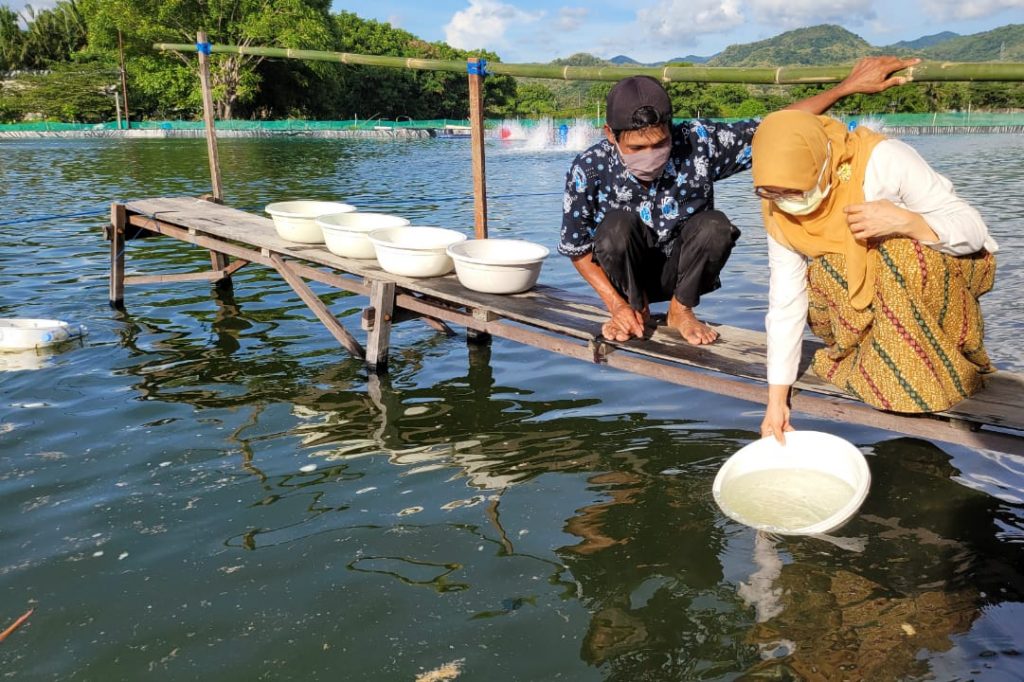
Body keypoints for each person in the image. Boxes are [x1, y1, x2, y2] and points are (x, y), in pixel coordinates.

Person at [559, 56, 920, 346]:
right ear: (610, 134)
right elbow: (577, 248)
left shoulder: (698, 142)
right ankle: (634, 308)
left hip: (684, 272)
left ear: (672, 128)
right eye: (637, 148)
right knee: (614, 228)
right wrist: (614, 303)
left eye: (660, 144)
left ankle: (680, 310)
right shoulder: (588, 168)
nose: (651, 155)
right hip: (627, 274)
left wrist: (848, 87)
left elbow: (777, 125)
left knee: (715, 224)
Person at [750, 109, 999, 443]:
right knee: (826, 271)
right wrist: (776, 400)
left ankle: (936, 367)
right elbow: (786, 300)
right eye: (770, 193)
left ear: (823, 164)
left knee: (899, 254)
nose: (785, 202)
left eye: (794, 192)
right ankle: (877, 358)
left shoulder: (884, 160)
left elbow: (974, 231)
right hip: (863, 291)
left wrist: (906, 222)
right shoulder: (775, 204)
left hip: (938, 272)